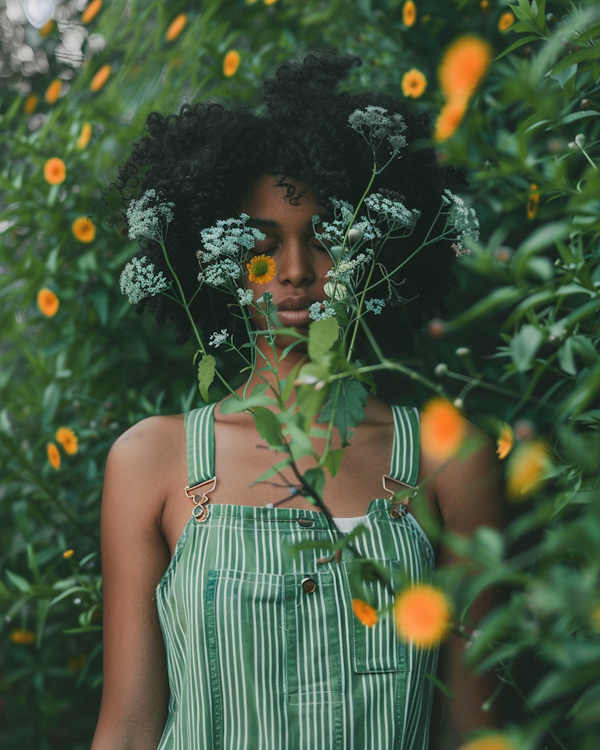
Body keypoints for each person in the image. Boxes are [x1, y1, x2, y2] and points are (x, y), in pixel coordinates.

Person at [91, 52, 504, 750]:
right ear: (211, 259)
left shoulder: (448, 458)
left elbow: (470, 728)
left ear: (372, 251)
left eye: (324, 240)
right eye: (261, 248)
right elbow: (130, 725)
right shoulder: (152, 461)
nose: (294, 273)